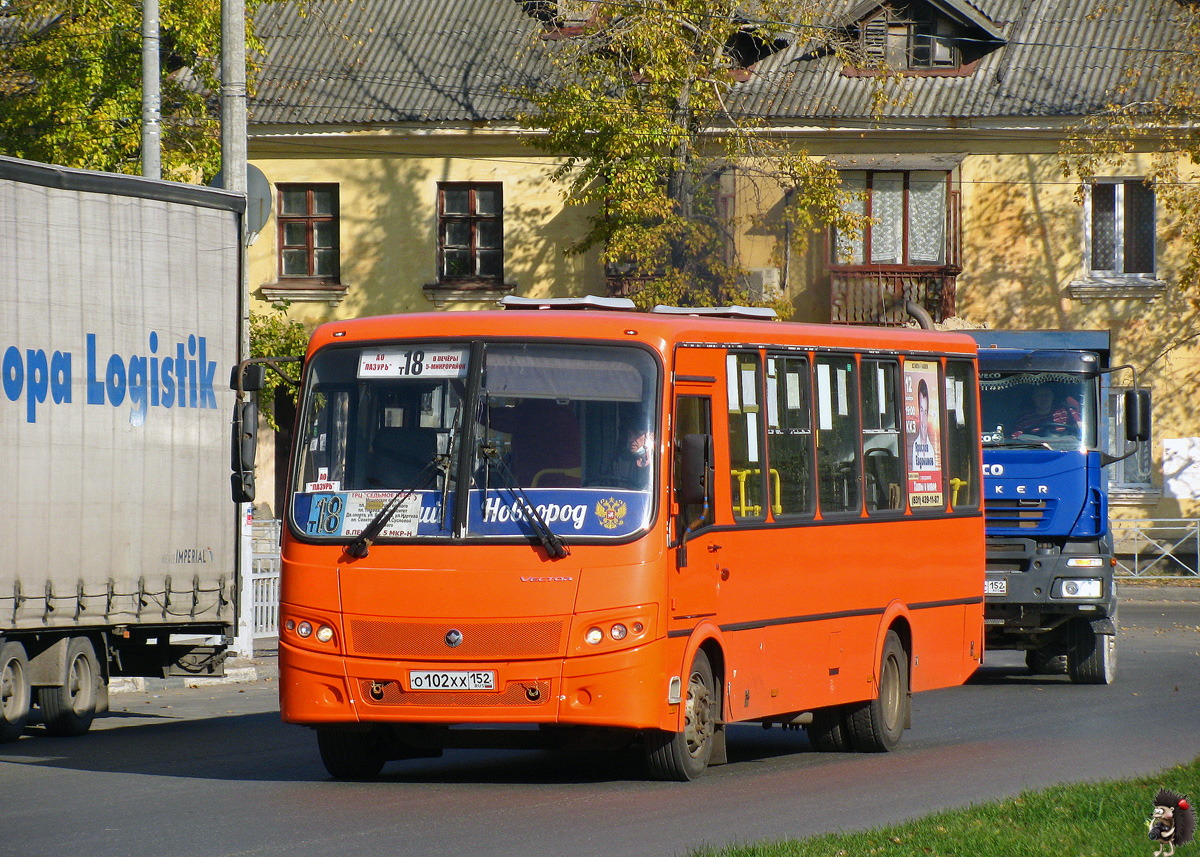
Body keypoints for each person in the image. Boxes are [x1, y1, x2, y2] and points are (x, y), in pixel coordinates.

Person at [1010, 384, 1080, 437]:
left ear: (1052, 396)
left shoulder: (1066, 411)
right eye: (1039, 396)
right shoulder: (1024, 417)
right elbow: (1016, 438)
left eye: (1047, 395)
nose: (1043, 399)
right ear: (1033, 398)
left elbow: (1080, 428)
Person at [910, 379, 937, 470]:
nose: (924, 417)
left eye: (926, 411)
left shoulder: (933, 449)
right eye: (921, 410)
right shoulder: (914, 446)